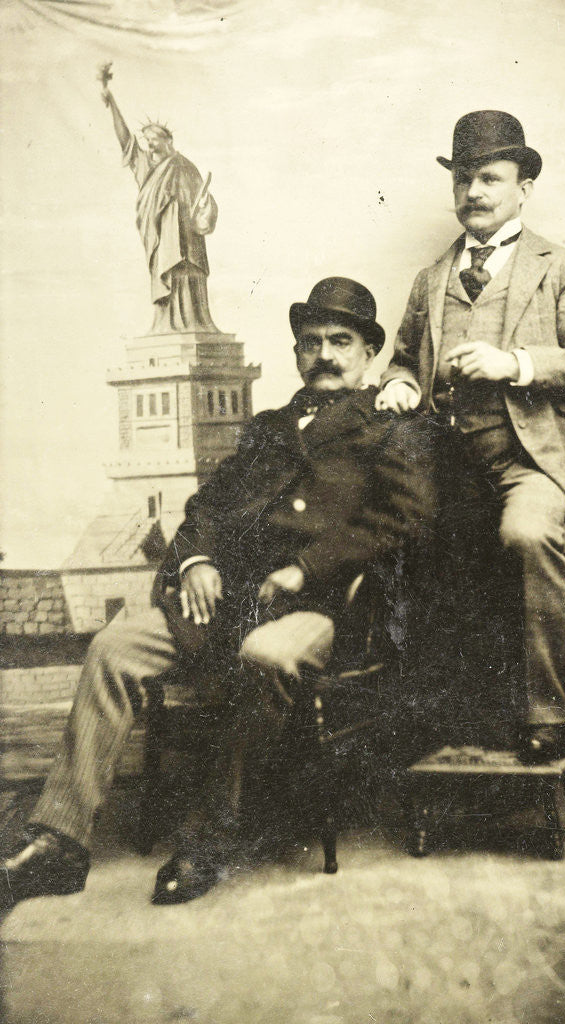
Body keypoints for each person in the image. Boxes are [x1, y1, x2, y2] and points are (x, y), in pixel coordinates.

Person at [1, 278, 435, 907]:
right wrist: (197, 560)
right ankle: (60, 840)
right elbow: (208, 503)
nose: (325, 355)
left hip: (329, 606)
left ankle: (212, 837)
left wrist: (308, 567)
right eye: (310, 342)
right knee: (115, 645)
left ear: (369, 353)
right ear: (295, 354)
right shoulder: (267, 428)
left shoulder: (393, 431)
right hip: (231, 598)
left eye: (341, 341)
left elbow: (405, 521)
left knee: (267, 655)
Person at [376, 110, 565, 762]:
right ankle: (425, 715)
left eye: (489, 177)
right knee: (388, 536)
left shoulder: (561, 267)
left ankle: (547, 713)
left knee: (525, 534)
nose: (473, 193)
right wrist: (399, 383)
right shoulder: (431, 280)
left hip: (528, 462)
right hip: (441, 462)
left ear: (523, 186)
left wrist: (514, 363)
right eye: (462, 179)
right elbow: (402, 357)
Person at [101, 80, 219, 333]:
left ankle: (196, 323)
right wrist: (112, 103)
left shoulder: (186, 167)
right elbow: (126, 141)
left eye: (154, 140)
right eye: (147, 141)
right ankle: (167, 326)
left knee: (188, 278)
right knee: (168, 277)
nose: (150, 145)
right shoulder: (145, 166)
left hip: (188, 242)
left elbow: (203, 202)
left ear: (168, 140)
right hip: (161, 240)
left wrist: (206, 209)